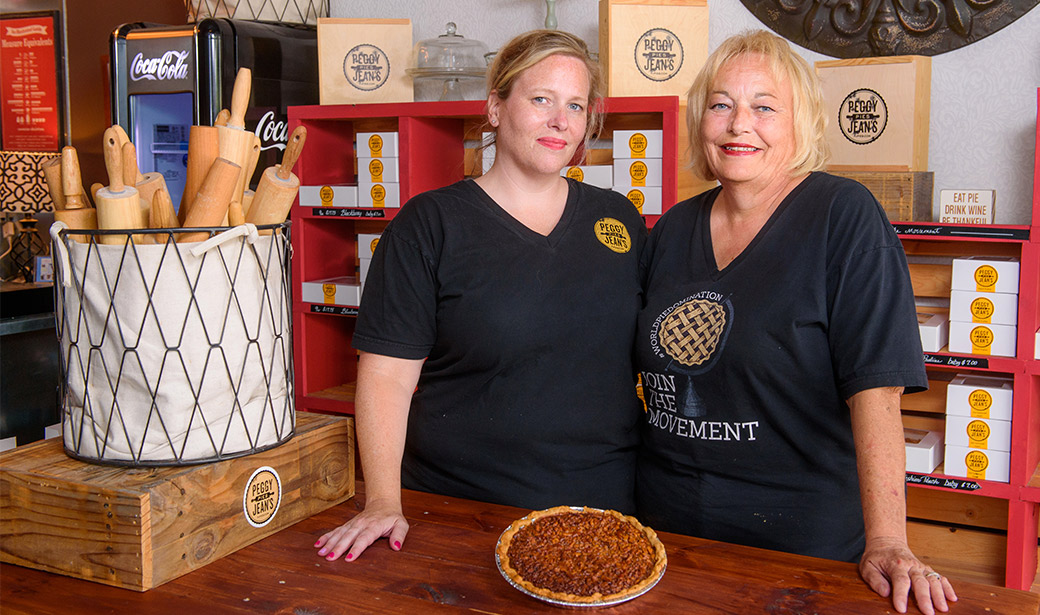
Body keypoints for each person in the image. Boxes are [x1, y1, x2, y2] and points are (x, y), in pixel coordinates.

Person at [634, 30, 958, 615]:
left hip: (799, 547)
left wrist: (888, 541)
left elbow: (876, 390)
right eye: (721, 104)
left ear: (801, 122)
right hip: (666, 536)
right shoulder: (674, 228)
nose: (739, 124)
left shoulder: (843, 215)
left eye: (764, 107)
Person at [314, 29, 646, 563]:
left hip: (603, 512)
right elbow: (388, 377)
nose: (561, 120)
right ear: (495, 107)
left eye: (576, 105)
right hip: (459, 511)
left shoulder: (619, 219)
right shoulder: (430, 225)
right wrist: (381, 500)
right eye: (541, 99)